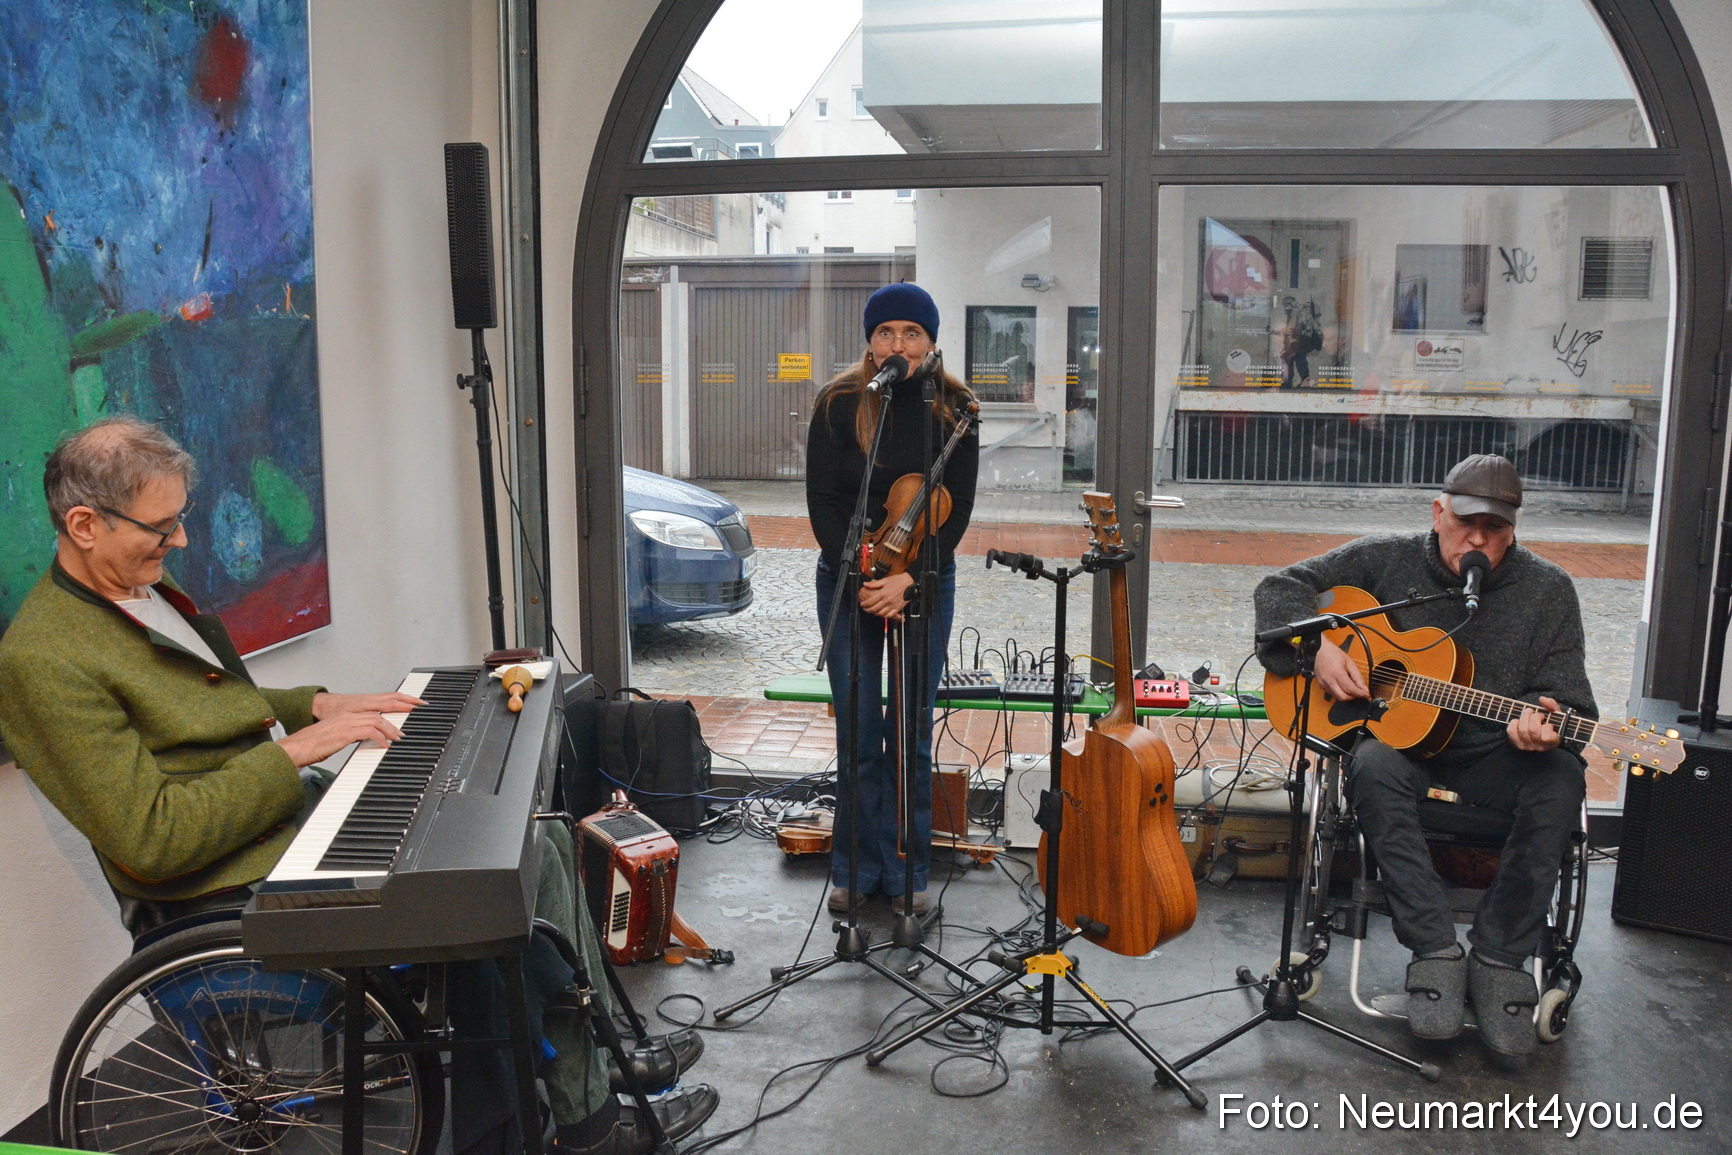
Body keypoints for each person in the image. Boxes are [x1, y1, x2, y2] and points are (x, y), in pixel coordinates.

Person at [0, 417, 715, 1154]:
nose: (179, 541)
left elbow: (204, 707)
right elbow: (153, 838)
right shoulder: (43, 660)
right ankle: (585, 1123)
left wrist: (314, 703)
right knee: (476, 909)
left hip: (290, 834)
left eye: (179, 518)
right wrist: (297, 752)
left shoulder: (140, 584)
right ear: (84, 524)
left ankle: (600, 1061)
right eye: (162, 526)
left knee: (546, 840)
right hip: (222, 894)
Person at [1252, 454, 1593, 1058]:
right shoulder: (1384, 557)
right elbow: (1279, 587)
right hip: (1404, 748)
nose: (1481, 540)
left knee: (1563, 776)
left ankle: (1498, 957)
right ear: (1439, 513)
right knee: (1374, 764)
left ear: (1516, 527)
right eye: (1467, 524)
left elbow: (1573, 704)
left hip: (1496, 754)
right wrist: (1319, 647)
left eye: (1498, 528)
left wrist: (1549, 724)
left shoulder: (1549, 591)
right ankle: (1435, 948)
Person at [806, 282, 979, 916]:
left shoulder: (954, 407)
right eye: (885, 333)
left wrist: (908, 579)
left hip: (923, 584)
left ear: (931, 342)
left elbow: (954, 514)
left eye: (911, 333)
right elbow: (823, 503)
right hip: (849, 582)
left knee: (909, 731)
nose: (897, 344)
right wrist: (861, 577)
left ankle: (906, 872)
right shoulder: (839, 403)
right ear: (869, 342)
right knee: (858, 733)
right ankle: (854, 868)